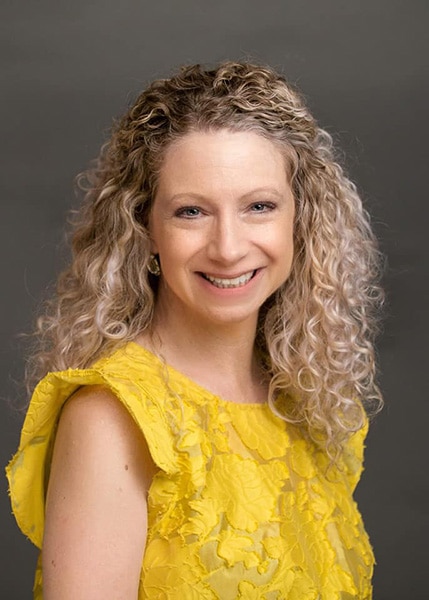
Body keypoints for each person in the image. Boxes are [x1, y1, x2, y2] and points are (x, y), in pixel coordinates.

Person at [6, 61, 383, 599]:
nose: (228, 247)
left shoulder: (299, 399)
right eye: (191, 212)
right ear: (145, 228)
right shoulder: (113, 417)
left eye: (259, 206)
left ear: (300, 219)